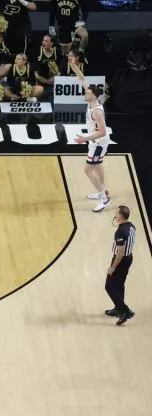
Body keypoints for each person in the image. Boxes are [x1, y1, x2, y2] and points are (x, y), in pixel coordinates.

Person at [70, 56, 111, 212]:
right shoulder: (92, 100)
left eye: (87, 93)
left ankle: (104, 198)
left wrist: (84, 139)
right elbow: (81, 78)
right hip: (96, 142)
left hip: (99, 143)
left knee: (88, 169)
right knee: (98, 165)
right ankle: (103, 189)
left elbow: (102, 131)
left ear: (93, 95)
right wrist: (73, 66)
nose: (85, 94)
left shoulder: (97, 111)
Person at [105, 206, 136, 326]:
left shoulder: (120, 232)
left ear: (121, 217)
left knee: (109, 286)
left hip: (121, 260)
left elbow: (120, 252)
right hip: (129, 258)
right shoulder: (131, 226)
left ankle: (125, 311)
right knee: (119, 285)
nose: (115, 215)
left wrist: (113, 267)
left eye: (116, 214)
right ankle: (118, 308)